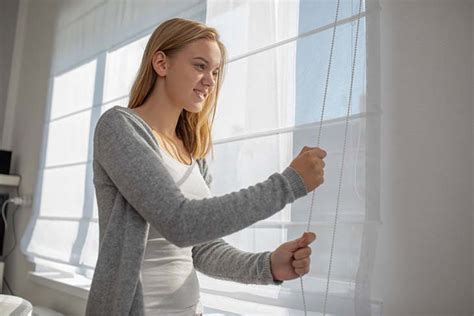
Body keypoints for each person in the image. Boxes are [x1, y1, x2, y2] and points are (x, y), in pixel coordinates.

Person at [85, 17, 326, 316]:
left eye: (214, 71)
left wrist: (268, 265)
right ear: (161, 63)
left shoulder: (192, 152)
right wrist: (288, 184)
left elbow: (202, 248)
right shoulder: (119, 127)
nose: (211, 81)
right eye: (200, 66)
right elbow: (181, 224)